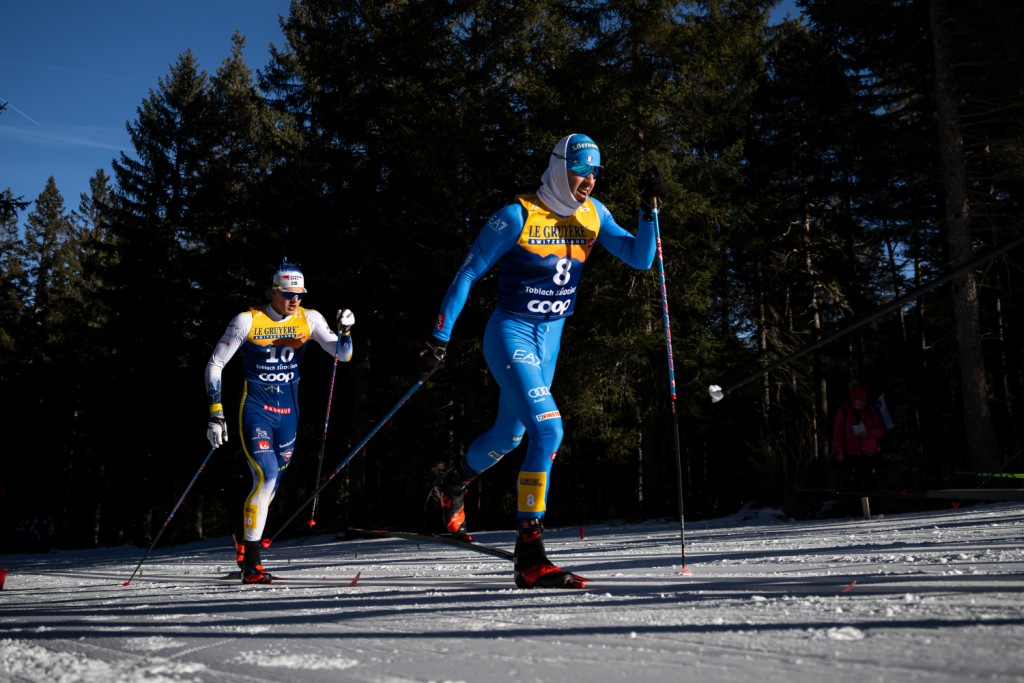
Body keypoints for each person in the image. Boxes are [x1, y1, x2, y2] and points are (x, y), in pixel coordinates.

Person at [419, 133, 669, 589]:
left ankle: (452, 482)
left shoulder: (594, 215)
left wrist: (648, 211)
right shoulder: (516, 215)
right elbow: (468, 271)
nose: (589, 180)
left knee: (509, 435)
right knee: (549, 429)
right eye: (581, 170)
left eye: (595, 172)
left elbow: (640, 258)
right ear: (559, 167)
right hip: (510, 332)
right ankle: (530, 555)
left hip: (549, 339)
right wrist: (439, 336)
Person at [205, 262, 355, 584]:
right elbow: (215, 364)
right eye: (288, 294)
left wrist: (346, 331)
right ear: (274, 291)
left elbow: (341, 355)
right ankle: (252, 566)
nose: (294, 301)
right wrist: (216, 411)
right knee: (266, 476)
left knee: (270, 489)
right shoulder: (248, 320)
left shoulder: (309, 319)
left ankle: (243, 537)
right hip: (256, 411)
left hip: (289, 417)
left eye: (299, 295)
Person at [833, 384, 886, 514]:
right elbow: (837, 433)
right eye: (860, 400)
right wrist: (839, 451)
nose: (863, 403)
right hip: (851, 455)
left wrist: (868, 434)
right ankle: (854, 512)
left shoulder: (870, 411)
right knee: (852, 484)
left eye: (865, 400)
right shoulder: (843, 411)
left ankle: (876, 510)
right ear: (854, 399)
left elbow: (880, 430)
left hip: (870, 453)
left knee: (872, 482)